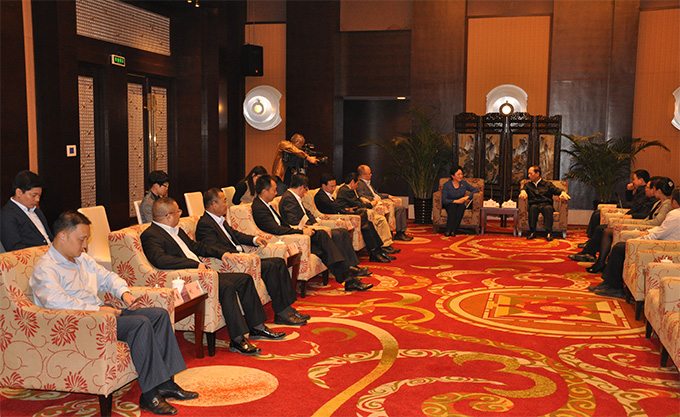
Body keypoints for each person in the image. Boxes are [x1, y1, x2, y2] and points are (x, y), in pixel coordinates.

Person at [30, 211, 197, 415]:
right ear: (62, 236)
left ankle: (166, 384)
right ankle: (150, 395)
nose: (85, 246)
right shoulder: (46, 268)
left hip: (102, 316)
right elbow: (56, 302)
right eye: (81, 239)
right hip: (83, 324)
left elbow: (108, 277)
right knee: (140, 323)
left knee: (159, 315)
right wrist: (98, 310)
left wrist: (124, 293)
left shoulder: (82, 260)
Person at [141, 197, 285, 357]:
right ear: (168, 216)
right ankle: (237, 340)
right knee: (227, 286)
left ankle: (257, 327)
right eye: (178, 211)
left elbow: (195, 246)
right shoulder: (151, 235)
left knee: (244, 279)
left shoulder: (177, 230)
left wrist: (221, 253)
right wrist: (194, 265)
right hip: (189, 278)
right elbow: (160, 260)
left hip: (205, 274)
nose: (180, 214)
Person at [196, 188, 308, 325]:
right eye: (224, 201)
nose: (227, 204)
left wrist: (254, 239)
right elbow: (213, 247)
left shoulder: (219, 220)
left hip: (245, 258)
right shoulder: (205, 224)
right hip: (236, 262)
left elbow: (235, 235)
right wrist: (238, 254)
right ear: (213, 204)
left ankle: (287, 308)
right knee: (271, 266)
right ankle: (282, 313)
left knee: (279, 262)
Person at [252, 175, 372, 292]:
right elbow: (277, 230)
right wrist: (301, 231)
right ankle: (348, 273)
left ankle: (349, 278)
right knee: (322, 237)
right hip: (283, 239)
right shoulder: (259, 207)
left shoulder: (266, 204)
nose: (276, 193)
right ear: (264, 191)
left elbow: (286, 223)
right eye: (274, 190)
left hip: (291, 235)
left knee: (324, 249)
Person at [590, 187, 680, 298]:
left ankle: (614, 287)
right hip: (668, 247)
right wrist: (648, 232)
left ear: (674, 201)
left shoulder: (675, 214)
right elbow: (661, 229)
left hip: (662, 248)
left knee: (619, 248)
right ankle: (609, 283)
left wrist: (639, 240)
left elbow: (659, 234)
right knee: (620, 247)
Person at [577, 177, 675, 273]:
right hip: (645, 227)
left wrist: (637, 224)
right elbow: (646, 216)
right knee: (605, 230)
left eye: (653, 188)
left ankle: (599, 262)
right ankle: (598, 260)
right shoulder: (659, 203)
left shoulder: (666, 205)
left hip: (649, 231)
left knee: (607, 232)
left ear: (658, 190)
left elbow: (656, 222)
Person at [280, 174, 371, 276]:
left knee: (343, 231)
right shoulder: (289, 198)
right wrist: (312, 226)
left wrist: (314, 222)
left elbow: (307, 212)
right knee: (336, 235)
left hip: (311, 228)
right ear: (302, 187)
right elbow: (293, 221)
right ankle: (347, 269)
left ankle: (352, 265)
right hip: (303, 233)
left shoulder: (294, 197)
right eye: (306, 189)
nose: (305, 192)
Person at [315, 173, 394, 263]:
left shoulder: (328, 194)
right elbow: (335, 208)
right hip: (335, 219)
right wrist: (347, 211)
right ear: (323, 186)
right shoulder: (321, 196)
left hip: (340, 215)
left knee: (368, 223)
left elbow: (337, 207)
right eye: (331, 186)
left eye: (334, 186)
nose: (334, 189)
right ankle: (374, 252)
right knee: (364, 221)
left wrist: (347, 209)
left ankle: (378, 249)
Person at [334, 172, 398, 256]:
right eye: (357, 183)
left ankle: (385, 245)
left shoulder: (348, 189)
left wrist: (362, 200)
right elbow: (358, 204)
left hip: (357, 213)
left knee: (381, 219)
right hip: (352, 215)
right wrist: (371, 204)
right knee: (372, 223)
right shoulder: (346, 190)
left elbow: (357, 202)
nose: (357, 186)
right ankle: (379, 249)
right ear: (352, 182)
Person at [584, 169, 652, 239]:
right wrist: (629, 191)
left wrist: (620, 206)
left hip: (631, 213)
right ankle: (590, 238)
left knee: (597, 216)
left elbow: (633, 205)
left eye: (634, 179)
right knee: (597, 213)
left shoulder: (644, 192)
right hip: (629, 211)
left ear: (641, 181)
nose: (633, 182)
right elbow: (630, 201)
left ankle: (590, 238)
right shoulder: (639, 190)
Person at [356, 164, 413, 241]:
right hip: (376, 205)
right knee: (397, 208)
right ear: (362, 175)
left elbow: (376, 194)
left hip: (382, 203)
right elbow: (361, 196)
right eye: (368, 174)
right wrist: (374, 199)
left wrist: (388, 196)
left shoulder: (368, 183)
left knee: (400, 208)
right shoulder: (359, 184)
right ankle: (396, 234)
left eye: (370, 173)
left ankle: (400, 232)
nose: (371, 175)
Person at [1, 170, 53, 251]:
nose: (37, 199)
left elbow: (49, 239)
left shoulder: (37, 212)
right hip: (34, 257)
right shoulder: (7, 215)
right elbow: (14, 248)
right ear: (19, 192)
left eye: (39, 195)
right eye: (34, 195)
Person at [518, 165, 571, 241]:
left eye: (531, 174)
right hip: (534, 204)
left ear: (537, 174)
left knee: (548, 209)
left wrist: (562, 193)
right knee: (532, 208)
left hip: (546, 204)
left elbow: (556, 190)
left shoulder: (547, 184)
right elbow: (523, 190)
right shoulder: (528, 185)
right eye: (528, 174)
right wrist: (523, 192)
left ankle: (549, 233)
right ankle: (532, 232)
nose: (529, 176)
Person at [441, 166, 479, 237]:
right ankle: (448, 229)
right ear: (453, 176)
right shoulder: (447, 185)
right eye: (458, 174)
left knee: (461, 208)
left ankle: (453, 230)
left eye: (461, 174)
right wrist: (456, 201)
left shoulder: (464, 183)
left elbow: (476, 190)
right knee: (452, 208)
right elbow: (444, 200)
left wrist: (467, 197)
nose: (461, 176)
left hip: (460, 204)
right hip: (450, 203)